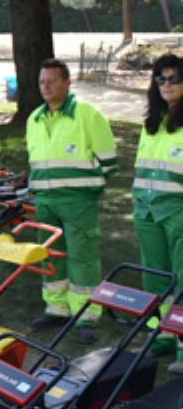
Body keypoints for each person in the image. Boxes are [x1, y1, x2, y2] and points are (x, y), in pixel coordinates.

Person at [26, 58, 117, 345]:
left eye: (52, 81)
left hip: (78, 202)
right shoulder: (34, 119)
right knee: (50, 255)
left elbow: (109, 163)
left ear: (67, 82)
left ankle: (86, 315)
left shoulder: (88, 114)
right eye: (42, 81)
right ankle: (57, 308)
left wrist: (86, 191)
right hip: (45, 201)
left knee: (83, 257)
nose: (46, 87)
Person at [133, 54, 183, 372]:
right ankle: (160, 333)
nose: (166, 84)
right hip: (147, 211)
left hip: (177, 212)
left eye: (174, 78)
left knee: (182, 280)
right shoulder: (150, 125)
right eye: (160, 79)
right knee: (155, 276)